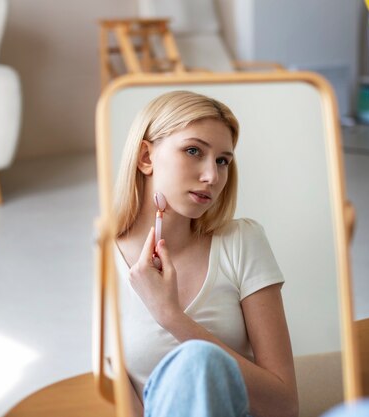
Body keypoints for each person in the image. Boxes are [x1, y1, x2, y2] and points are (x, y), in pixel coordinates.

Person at [112, 90, 298, 417]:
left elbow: (285, 406)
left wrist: (171, 317)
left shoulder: (242, 242)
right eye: (193, 150)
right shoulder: (101, 264)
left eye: (222, 161)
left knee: (200, 360)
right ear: (145, 157)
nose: (212, 176)